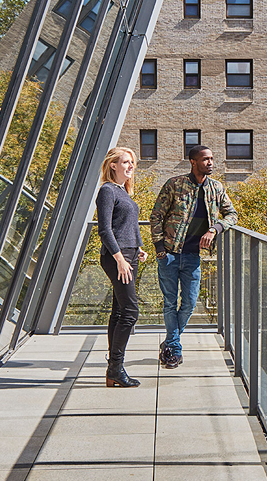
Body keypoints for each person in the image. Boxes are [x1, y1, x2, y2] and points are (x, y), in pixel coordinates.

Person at [150, 143, 237, 368]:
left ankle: (170, 342)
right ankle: (174, 350)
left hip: (193, 256)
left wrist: (214, 229)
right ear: (193, 162)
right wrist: (159, 248)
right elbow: (156, 215)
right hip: (169, 254)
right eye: (206, 159)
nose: (211, 162)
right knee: (170, 303)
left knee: (189, 303)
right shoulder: (175, 184)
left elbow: (232, 214)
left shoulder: (216, 188)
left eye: (211, 158)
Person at [96, 146, 146, 388]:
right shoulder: (107, 190)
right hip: (118, 257)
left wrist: (139, 247)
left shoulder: (122, 191)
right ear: (113, 165)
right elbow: (105, 229)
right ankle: (116, 368)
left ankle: (113, 370)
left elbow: (128, 225)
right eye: (126, 162)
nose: (130, 166)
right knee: (130, 311)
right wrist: (120, 259)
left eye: (132, 162)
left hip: (130, 254)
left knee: (119, 311)